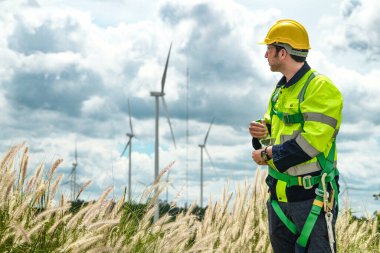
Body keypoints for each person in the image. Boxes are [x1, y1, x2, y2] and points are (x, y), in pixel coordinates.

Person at [249, 19, 343, 253]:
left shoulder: (320, 88)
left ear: (283, 53)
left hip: (312, 199)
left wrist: (268, 153)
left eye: (269, 49)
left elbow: (311, 143)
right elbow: (274, 134)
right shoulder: (280, 91)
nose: (265, 55)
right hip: (279, 199)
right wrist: (262, 134)